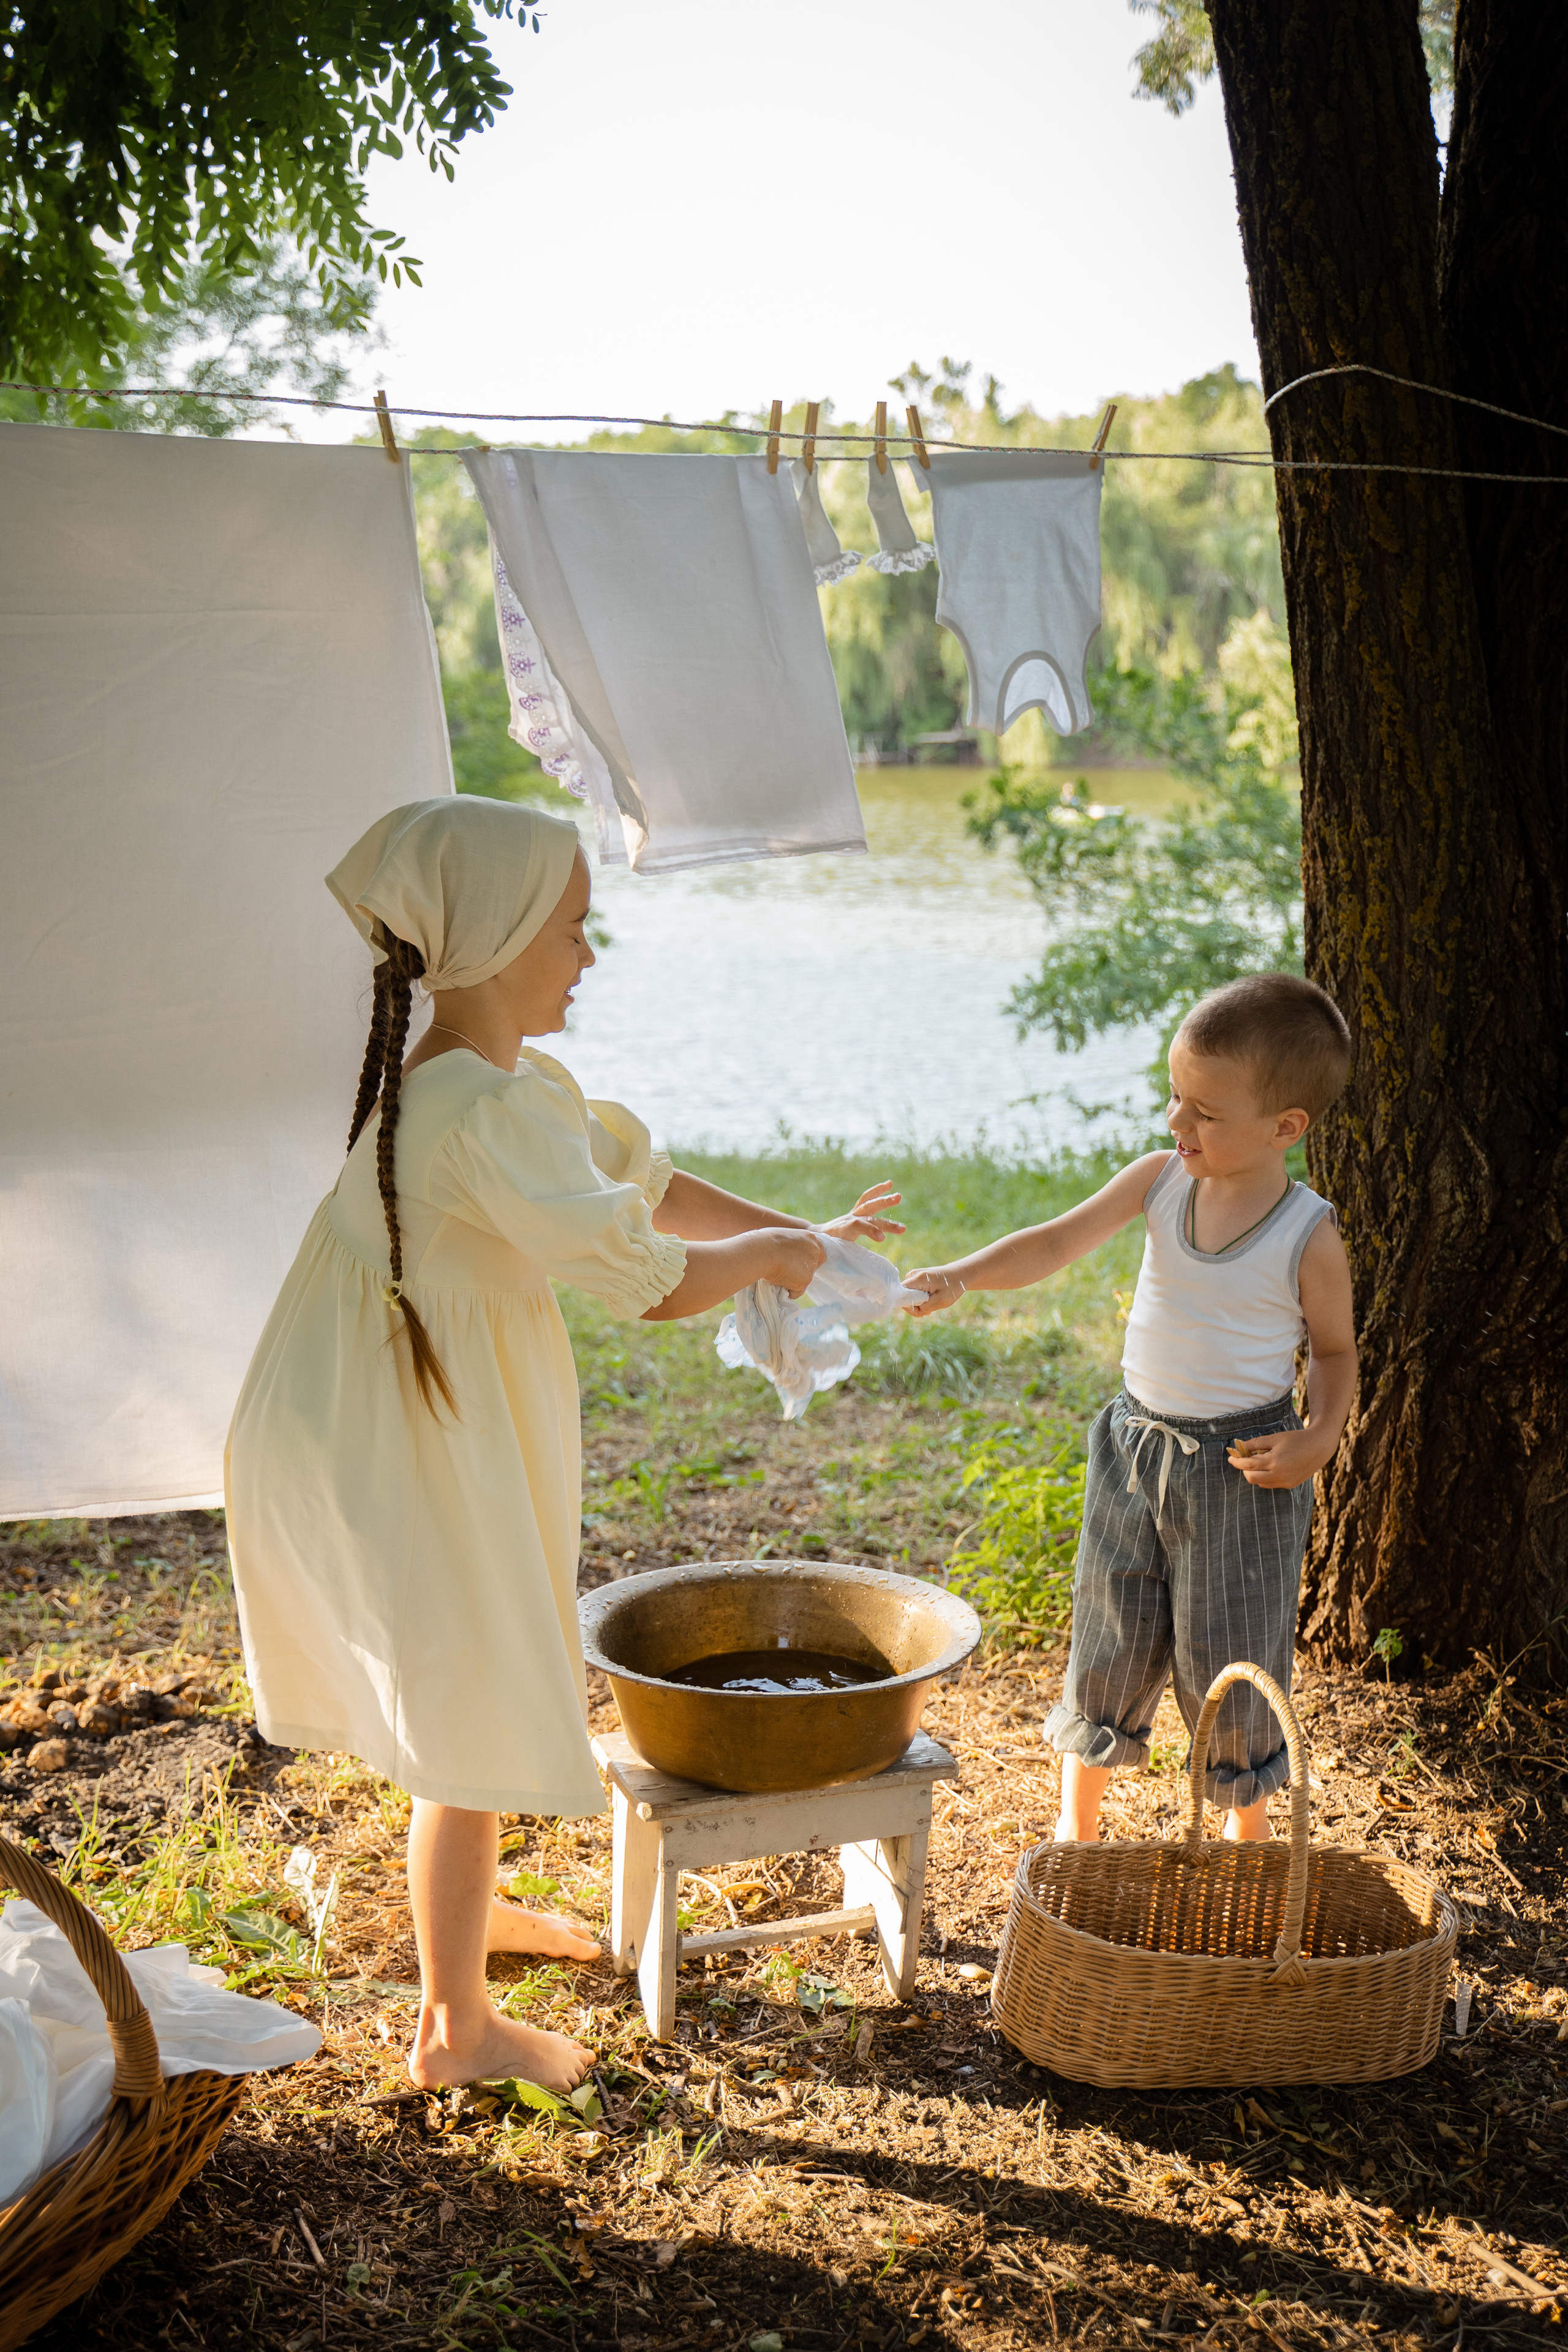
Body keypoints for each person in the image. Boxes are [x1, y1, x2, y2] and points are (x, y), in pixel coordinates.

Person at [225, 797, 903, 2093]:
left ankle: (463, 1931)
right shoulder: (490, 1113)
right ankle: (456, 2032)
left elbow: (638, 1186)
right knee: (467, 1700)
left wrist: (796, 1230)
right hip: (393, 1432)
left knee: (455, 1687)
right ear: (489, 940)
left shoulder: (498, 1085)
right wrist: (765, 1259)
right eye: (574, 928)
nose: (590, 957)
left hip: (386, 1407)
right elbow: (648, 1277)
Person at [903, 973, 1356, 1845]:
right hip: (1133, 1446)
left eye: (1205, 1114)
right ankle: (1076, 1833)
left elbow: (1335, 1353)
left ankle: (1248, 1840)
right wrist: (961, 1274)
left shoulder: (1307, 1233)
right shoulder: (1159, 1181)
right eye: (1175, 1099)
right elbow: (1055, 1240)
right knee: (1110, 1629)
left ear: (1285, 1128)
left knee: (1231, 1653)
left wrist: (1319, 1436)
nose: (1177, 1125)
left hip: (1241, 1472)